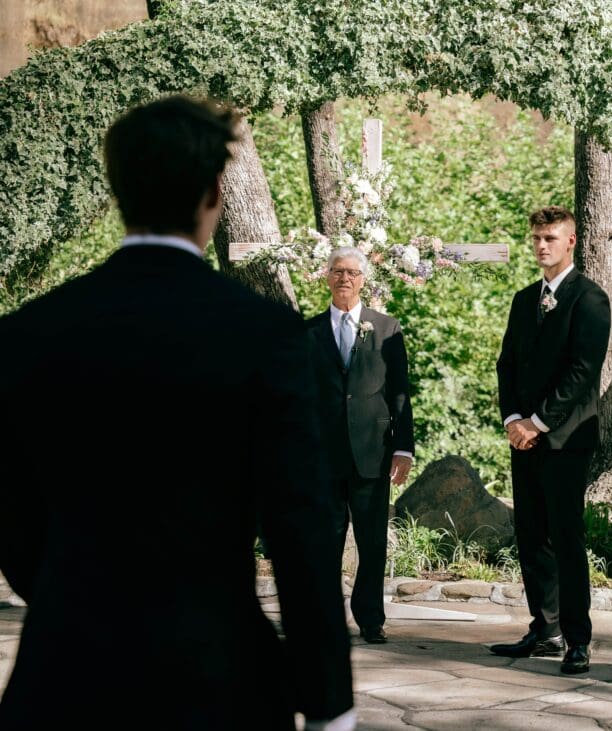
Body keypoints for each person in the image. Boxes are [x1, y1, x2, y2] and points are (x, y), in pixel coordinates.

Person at [0, 96, 353, 730]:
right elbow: (299, 524)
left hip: (65, 676)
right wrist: (329, 703)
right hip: (218, 675)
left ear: (117, 189)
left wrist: (74, 597)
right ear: (216, 192)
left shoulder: (28, 332)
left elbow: (12, 515)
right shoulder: (263, 333)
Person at [492, 205, 611, 674]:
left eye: (551, 238)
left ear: (571, 242)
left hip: (564, 439)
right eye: (537, 238)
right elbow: (507, 364)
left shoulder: (590, 299)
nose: (542, 245)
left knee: (566, 538)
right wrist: (512, 419)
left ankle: (577, 640)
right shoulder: (524, 299)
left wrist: (538, 422)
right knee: (530, 535)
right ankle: (545, 629)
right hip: (523, 436)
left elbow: (583, 372)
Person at [307, 247, 414, 645]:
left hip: (373, 451)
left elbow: (400, 392)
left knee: (371, 542)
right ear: (327, 277)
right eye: (337, 271)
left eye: (352, 272)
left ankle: (371, 618)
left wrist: (403, 448)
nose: (344, 278)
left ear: (363, 280)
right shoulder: (309, 332)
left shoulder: (386, 328)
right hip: (323, 458)